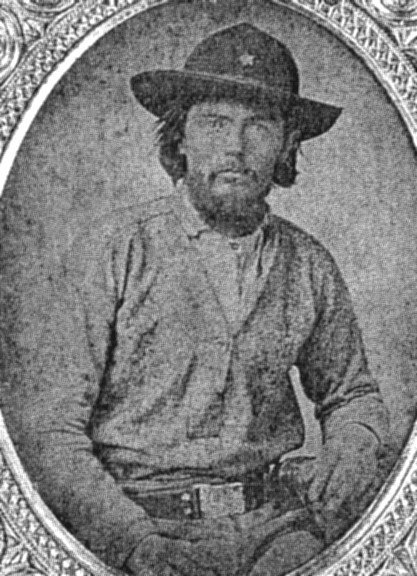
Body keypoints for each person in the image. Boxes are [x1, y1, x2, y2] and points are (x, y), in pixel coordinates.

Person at [15, 23, 389, 576]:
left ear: (288, 142)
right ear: (181, 137)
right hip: (140, 528)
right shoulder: (116, 250)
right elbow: (49, 433)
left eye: (259, 126)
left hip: (277, 530)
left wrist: (353, 446)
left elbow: (351, 393)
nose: (236, 147)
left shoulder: (309, 264)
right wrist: (134, 542)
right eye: (214, 122)